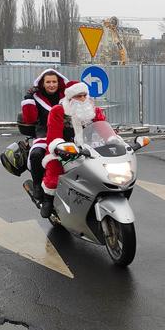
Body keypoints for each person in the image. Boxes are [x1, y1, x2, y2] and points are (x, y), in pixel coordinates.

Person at [40, 81, 106, 218]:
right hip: (64, 151)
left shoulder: (94, 111)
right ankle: (48, 199)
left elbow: (104, 129)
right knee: (54, 171)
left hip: (91, 150)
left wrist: (113, 140)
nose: (82, 99)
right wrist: (61, 147)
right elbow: (53, 137)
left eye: (84, 95)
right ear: (70, 98)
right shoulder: (58, 111)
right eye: (78, 96)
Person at [21, 68, 70, 200]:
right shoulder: (36, 98)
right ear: (42, 83)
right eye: (48, 82)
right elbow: (29, 119)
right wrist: (28, 99)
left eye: (54, 81)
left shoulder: (67, 97)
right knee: (36, 154)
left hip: (66, 135)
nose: (51, 84)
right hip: (44, 135)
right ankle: (37, 185)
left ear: (58, 82)